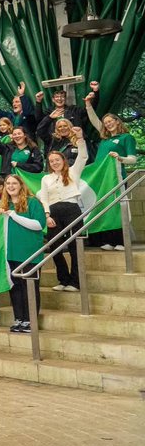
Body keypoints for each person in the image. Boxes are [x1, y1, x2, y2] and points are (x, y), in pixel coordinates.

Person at [86, 82, 137, 251]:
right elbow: (94, 120)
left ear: (117, 120)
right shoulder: (105, 140)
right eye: (105, 122)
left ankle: (122, 241)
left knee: (118, 208)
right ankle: (108, 240)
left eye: (110, 121)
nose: (108, 124)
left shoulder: (125, 138)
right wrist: (87, 105)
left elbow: (133, 159)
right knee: (105, 208)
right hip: (103, 179)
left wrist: (120, 158)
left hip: (117, 177)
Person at [38, 136, 88, 292]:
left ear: (63, 160)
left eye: (57, 160)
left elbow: (83, 156)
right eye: (51, 161)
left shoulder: (73, 171)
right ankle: (63, 279)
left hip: (72, 210)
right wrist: (47, 216)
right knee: (55, 247)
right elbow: (44, 199)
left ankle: (75, 281)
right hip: (54, 213)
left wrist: (80, 140)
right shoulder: (46, 178)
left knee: (75, 246)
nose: (54, 163)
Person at [0, 175, 46, 334]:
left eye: (14, 183)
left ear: (21, 185)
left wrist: (13, 215)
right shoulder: (4, 204)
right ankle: (19, 318)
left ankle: (30, 320)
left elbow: (38, 225)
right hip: (11, 253)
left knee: (30, 287)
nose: (11, 186)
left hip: (30, 253)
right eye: (8, 183)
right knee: (15, 288)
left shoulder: (33, 202)